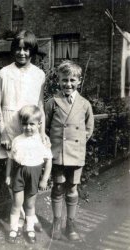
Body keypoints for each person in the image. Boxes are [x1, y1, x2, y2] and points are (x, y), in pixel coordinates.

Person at [0, 30, 46, 233]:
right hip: (9, 126)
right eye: (18, 48)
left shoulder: (39, 74)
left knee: (30, 169)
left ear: (32, 51)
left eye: (26, 49)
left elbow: (40, 104)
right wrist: (3, 131)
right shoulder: (4, 73)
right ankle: (24, 217)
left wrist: (42, 132)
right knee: (12, 173)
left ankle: (29, 215)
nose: (21, 52)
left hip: (31, 126)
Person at [45, 60, 94, 241]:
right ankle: (57, 223)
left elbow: (88, 129)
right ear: (58, 80)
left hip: (76, 154)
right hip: (58, 154)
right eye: (64, 80)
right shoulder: (52, 102)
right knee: (58, 187)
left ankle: (70, 225)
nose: (68, 84)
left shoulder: (84, 104)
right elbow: (45, 128)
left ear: (79, 81)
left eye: (72, 80)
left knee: (72, 188)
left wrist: (77, 144)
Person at [5, 105, 52, 243]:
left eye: (32, 124)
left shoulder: (42, 141)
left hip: (34, 175)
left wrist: (44, 179)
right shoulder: (17, 140)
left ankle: (29, 229)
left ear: (39, 124)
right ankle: (14, 229)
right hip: (19, 174)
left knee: (30, 205)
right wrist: (8, 176)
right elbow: (10, 160)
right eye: (25, 124)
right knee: (16, 204)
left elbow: (48, 161)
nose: (28, 127)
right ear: (21, 124)